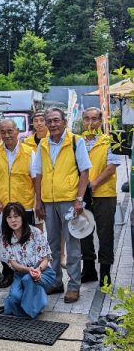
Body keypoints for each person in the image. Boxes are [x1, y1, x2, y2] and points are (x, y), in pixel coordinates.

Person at [34, 107, 92, 303]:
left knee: (72, 244)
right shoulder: (42, 144)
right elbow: (38, 174)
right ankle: (56, 281)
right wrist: (38, 200)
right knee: (51, 244)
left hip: (69, 200)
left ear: (64, 122)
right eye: (49, 121)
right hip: (48, 201)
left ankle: (74, 286)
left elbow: (84, 172)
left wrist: (79, 199)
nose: (52, 124)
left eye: (56, 120)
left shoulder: (76, 141)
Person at [0, 119, 37, 288]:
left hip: (25, 205)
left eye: (10, 131)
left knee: (25, 240)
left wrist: (38, 202)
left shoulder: (29, 152)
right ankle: (8, 273)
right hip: (4, 207)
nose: (7, 135)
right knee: (5, 241)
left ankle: (26, 274)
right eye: (3, 131)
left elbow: (36, 178)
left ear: (17, 131)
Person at [80, 107, 120, 286]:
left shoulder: (109, 140)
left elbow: (111, 166)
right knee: (83, 231)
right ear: (83, 121)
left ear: (101, 121)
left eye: (94, 119)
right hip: (82, 194)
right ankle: (88, 269)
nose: (90, 123)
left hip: (104, 194)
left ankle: (105, 272)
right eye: (87, 119)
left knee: (105, 233)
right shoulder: (77, 141)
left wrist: (94, 184)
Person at [1, 202, 56, 319]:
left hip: (43, 271)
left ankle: (37, 305)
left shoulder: (36, 232)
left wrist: (38, 270)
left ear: (22, 217)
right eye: (9, 217)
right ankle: (32, 303)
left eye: (16, 216)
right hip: (21, 273)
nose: (13, 220)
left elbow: (46, 259)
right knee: (15, 298)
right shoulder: (6, 237)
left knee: (28, 279)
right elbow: (13, 263)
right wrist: (27, 269)